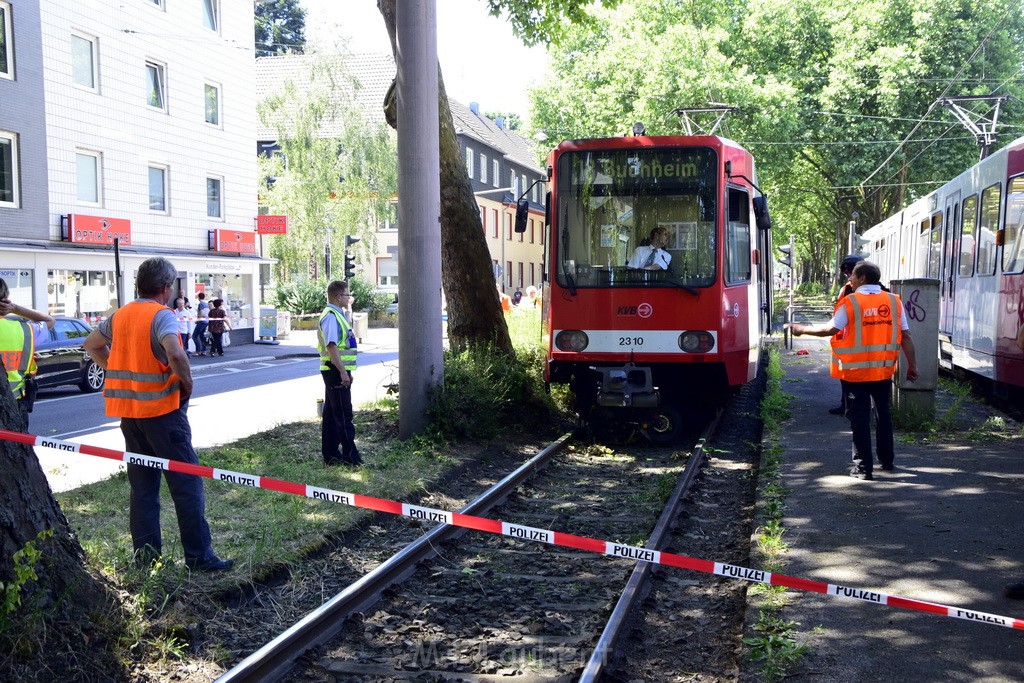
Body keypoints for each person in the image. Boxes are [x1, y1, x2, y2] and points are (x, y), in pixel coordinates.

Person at [82, 257, 233, 572]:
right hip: (164, 414)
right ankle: (199, 556)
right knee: (186, 483)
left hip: (130, 417)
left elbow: (91, 345)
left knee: (143, 490)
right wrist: (186, 385)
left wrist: (116, 370)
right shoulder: (162, 315)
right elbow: (175, 352)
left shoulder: (120, 316)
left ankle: (147, 559)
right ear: (166, 288)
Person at [789, 261, 919, 481]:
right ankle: (887, 461)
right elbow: (906, 336)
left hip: (856, 373)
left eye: (853, 277)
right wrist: (913, 365)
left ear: (863, 278)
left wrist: (802, 330)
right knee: (883, 414)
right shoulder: (894, 302)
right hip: (883, 371)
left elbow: (830, 329)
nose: (850, 280)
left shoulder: (851, 302)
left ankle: (863, 468)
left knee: (859, 418)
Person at [0, 279, 55, 430]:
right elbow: (49, 320)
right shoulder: (24, 330)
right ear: (5, 299)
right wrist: (14, 308)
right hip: (13, 406)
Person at [318, 280, 361, 467]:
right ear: (338, 296)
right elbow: (331, 346)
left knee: (330, 415)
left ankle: (331, 456)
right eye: (346, 295)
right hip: (335, 370)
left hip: (335, 369)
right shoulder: (331, 316)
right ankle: (351, 457)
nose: (349, 298)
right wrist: (343, 371)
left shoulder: (337, 314)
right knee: (343, 414)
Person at [827, 254, 865, 415]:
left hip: (850, 339)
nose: (847, 276)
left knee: (848, 376)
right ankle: (850, 405)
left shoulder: (849, 289)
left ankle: (848, 406)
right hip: (872, 340)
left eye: (847, 272)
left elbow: (843, 314)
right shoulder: (882, 289)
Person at [192, 292, 209, 356]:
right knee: (202, 336)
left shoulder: (200, 304)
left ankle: (198, 350)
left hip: (201, 322)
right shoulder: (206, 304)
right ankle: (204, 350)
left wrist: (198, 319)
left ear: (198, 297)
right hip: (206, 322)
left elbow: (202, 313)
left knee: (194, 336)